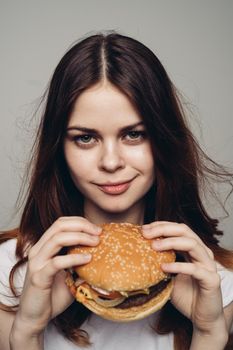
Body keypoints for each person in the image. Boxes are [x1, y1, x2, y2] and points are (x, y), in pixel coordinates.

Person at [0, 31, 233, 350]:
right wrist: (26, 331)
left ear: (164, 140)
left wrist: (209, 333)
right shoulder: (8, 273)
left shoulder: (216, 281)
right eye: (85, 138)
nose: (111, 162)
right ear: (59, 148)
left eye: (134, 135)